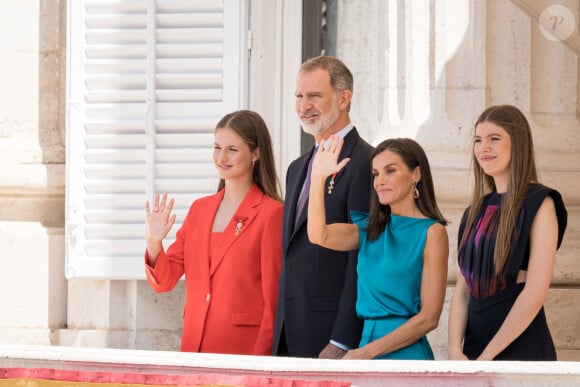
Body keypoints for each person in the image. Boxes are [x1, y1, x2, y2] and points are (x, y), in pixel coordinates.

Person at [144, 110, 284, 355]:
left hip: (243, 351)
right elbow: (164, 282)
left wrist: (261, 366)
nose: (222, 157)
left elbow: (274, 302)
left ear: (256, 154)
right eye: (217, 147)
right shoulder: (200, 209)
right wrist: (155, 242)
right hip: (194, 347)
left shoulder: (271, 214)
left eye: (232, 149)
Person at [307, 135, 449, 360]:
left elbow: (430, 317)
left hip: (406, 355)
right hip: (365, 348)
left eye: (390, 171)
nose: (380, 181)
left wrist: (368, 352)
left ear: (416, 174)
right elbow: (318, 235)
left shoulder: (432, 232)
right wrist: (317, 178)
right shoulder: (368, 229)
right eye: (375, 174)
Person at [448, 104, 568, 361]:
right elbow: (462, 291)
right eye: (478, 140)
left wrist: (487, 358)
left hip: (521, 350)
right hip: (474, 351)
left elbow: (535, 292)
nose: (484, 147)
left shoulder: (540, 202)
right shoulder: (474, 211)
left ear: (518, 143)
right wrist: (454, 350)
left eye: (494, 138)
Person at [272, 56, 374, 358]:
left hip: (331, 336)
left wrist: (342, 340)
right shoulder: (295, 168)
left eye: (314, 96)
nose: (304, 106)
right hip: (288, 333)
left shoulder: (367, 163)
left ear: (344, 98)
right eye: (299, 97)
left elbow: (362, 258)